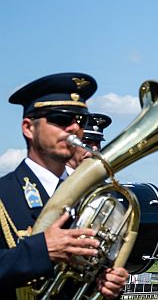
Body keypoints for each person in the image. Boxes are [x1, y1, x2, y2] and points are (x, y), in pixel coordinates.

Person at [0, 73, 126, 300]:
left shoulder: (93, 200)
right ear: (29, 128)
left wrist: (107, 285)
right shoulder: (3, 194)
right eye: (60, 119)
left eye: (79, 120)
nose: (72, 128)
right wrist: (41, 251)